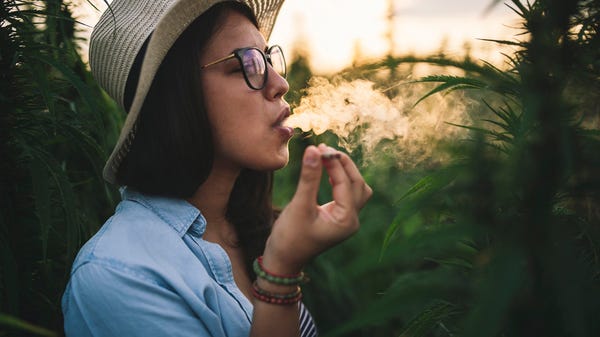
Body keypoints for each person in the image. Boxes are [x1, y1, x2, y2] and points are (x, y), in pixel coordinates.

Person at [61, 0, 372, 336]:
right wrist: (280, 275)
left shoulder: (249, 227)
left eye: (269, 59)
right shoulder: (119, 275)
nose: (280, 83)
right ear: (176, 95)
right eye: (248, 64)